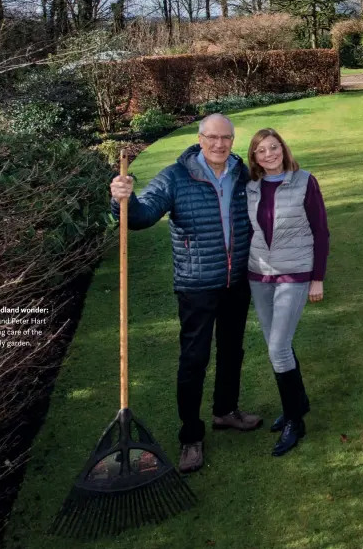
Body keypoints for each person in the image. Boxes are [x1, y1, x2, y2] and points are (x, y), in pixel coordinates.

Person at [109, 114, 262, 475]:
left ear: (232, 140)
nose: (219, 144)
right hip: (196, 285)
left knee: (231, 350)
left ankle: (225, 411)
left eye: (226, 138)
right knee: (194, 360)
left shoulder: (241, 173)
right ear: (199, 138)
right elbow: (142, 215)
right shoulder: (176, 176)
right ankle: (190, 435)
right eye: (212, 137)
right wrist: (121, 201)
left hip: (236, 281)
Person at [246, 128, 329, 456]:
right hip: (258, 274)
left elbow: (321, 230)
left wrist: (318, 278)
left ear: (283, 148)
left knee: (278, 349)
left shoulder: (304, 181)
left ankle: (295, 420)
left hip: (295, 273)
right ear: (253, 157)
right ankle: (298, 403)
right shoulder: (250, 186)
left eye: (273, 147)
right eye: (260, 150)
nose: (268, 154)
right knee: (275, 346)